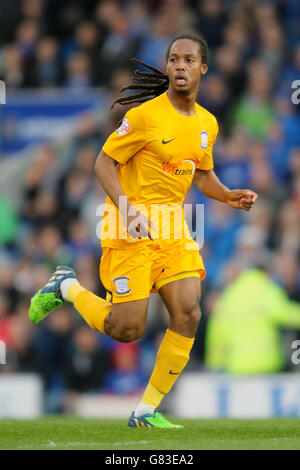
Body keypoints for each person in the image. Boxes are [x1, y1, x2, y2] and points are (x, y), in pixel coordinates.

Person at [29, 33, 258, 428]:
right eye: (174, 59)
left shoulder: (207, 123)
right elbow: (103, 163)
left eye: (188, 60)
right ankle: (66, 285)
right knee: (126, 329)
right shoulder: (144, 116)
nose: (180, 66)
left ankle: (147, 410)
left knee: (188, 311)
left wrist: (227, 196)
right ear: (168, 67)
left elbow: (201, 173)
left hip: (172, 228)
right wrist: (128, 208)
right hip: (128, 228)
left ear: (203, 68)